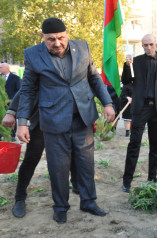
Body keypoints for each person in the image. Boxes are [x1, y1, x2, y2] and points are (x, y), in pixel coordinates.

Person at [16, 17, 115, 224]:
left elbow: (94, 78)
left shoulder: (83, 47)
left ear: (67, 33)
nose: (57, 43)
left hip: (83, 117)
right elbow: (27, 90)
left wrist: (107, 103)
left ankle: (88, 201)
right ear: (42, 37)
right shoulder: (32, 55)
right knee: (58, 166)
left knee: (86, 164)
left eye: (61, 37)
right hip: (53, 121)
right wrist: (22, 122)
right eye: (51, 39)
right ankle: (60, 207)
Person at [2, 90, 79, 218]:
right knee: (31, 159)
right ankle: (20, 198)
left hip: (65, 119)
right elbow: (26, 89)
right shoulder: (43, 70)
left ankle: (76, 185)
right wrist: (11, 112)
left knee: (69, 156)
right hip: (40, 120)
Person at [121, 34, 157, 193]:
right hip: (140, 108)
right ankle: (127, 182)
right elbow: (127, 80)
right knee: (134, 144)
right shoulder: (136, 61)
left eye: (151, 44)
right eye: (145, 45)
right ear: (142, 46)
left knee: (155, 146)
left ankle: (152, 178)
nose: (148, 48)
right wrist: (127, 65)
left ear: (156, 44)